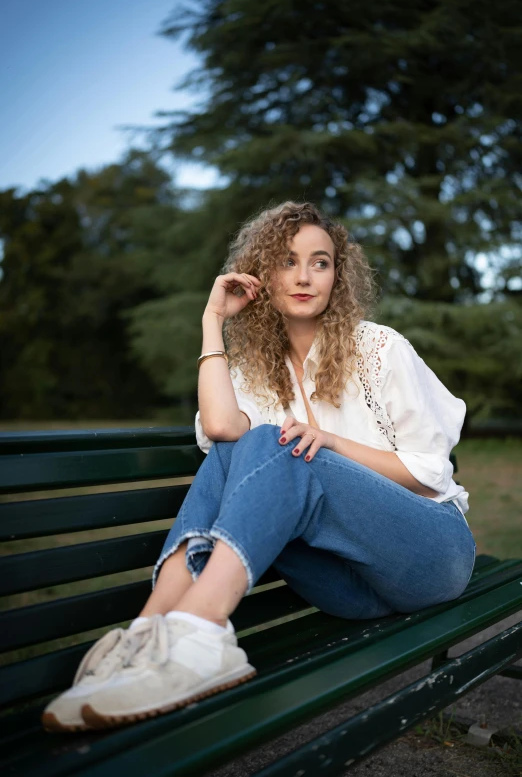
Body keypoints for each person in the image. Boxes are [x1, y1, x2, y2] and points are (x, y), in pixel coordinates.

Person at [42, 200, 475, 733]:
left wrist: (333, 443)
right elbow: (223, 430)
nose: (304, 276)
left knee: (291, 446)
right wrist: (213, 320)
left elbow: (428, 469)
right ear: (263, 274)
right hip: (347, 589)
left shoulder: (378, 348)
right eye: (288, 261)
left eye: (320, 262)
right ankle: (146, 639)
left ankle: (197, 632)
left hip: (428, 553)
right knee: (241, 445)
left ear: (338, 276)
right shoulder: (254, 368)